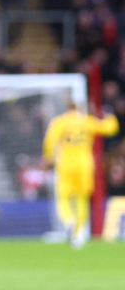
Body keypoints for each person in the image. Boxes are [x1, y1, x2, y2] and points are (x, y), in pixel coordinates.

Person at [43, 101, 119, 248]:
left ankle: (68, 221)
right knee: (82, 198)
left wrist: (49, 158)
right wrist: (110, 115)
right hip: (84, 164)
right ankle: (79, 234)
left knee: (64, 196)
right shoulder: (87, 121)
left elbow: (49, 141)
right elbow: (110, 129)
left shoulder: (60, 122)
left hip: (65, 164)